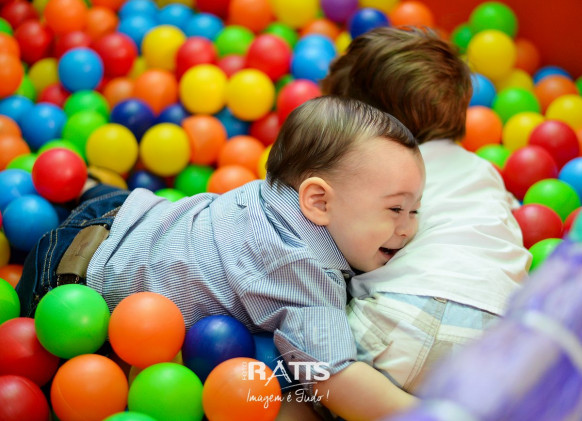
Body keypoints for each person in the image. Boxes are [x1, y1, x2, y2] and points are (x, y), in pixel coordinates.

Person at [17, 95, 425, 420]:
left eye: (416, 209)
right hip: (69, 290)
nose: (409, 228)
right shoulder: (300, 270)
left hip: (122, 213)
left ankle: (84, 187)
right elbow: (331, 377)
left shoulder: (273, 192)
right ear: (317, 201)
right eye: (395, 209)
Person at [321, 27, 532, 392]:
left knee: (303, 374)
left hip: (403, 314)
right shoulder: (483, 171)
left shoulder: (372, 171)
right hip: (499, 340)